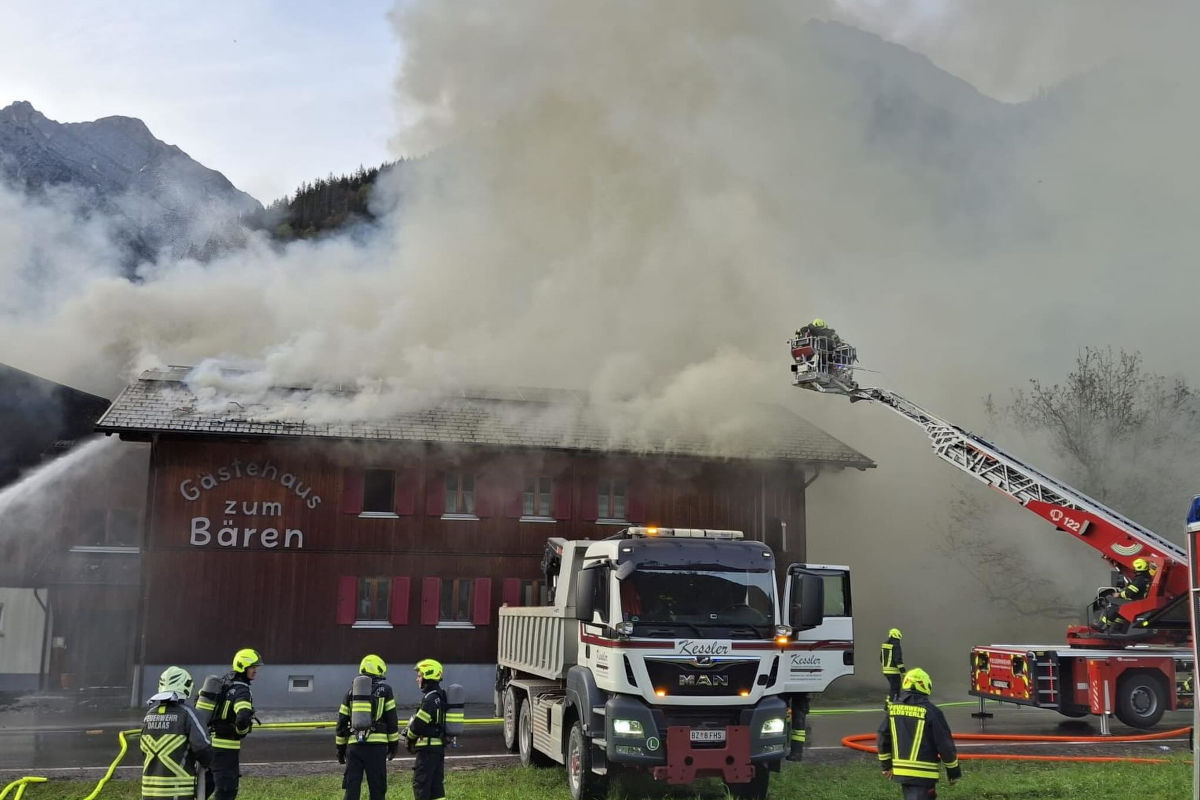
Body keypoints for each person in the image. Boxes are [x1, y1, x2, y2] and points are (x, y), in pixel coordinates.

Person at [877, 668, 961, 799]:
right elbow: (945, 745)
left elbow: (883, 735)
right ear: (926, 686)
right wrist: (953, 772)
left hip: (902, 772)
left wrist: (886, 765)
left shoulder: (893, 709)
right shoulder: (932, 712)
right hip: (924, 774)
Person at [198, 647, 262, 800]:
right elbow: (242, 718)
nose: (255, 670)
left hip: (210, 745)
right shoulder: (242, 690)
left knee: (205, 787)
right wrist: (242, 731)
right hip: (226, 749)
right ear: (243, 667)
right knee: (227, 791)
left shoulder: (226, 684)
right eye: (253, 667)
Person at [140, 666, 212, 800]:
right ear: (185, 686)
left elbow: (143, 750)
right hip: (178, 792)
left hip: (149, 792)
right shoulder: (188, 714)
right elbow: (203, 747)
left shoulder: (149, 715)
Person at [336, 654, 401, 800]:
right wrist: (393, 746)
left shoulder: (351, 691)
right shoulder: (386, 690)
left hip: (354, 748)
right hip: (377, 748)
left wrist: (340, 750)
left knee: (352, 790)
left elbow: (341, 724)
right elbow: (392, 721)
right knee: (377, 790)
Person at [405, 659, 448, 800]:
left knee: (421, 785)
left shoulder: (430, 699)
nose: (417, 679)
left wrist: (409, 739)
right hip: (437, 749)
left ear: (428, 675)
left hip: (427, 750)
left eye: (419, 675)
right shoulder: (440, 696)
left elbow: (418, 725)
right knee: (436, 789)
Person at [1099, 558, 1155, 631]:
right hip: (1140, 601)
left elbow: (1129, 593)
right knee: (1120, 607)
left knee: (1114, 606)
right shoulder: (1147, 577)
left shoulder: (1139, 579)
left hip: (1134, 602)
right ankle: (1116, 627)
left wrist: (1118, 595)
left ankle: (1101, 626)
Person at [880, 628, 905, 701]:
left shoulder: (884, 645)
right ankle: (890, 704)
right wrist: (903, 672)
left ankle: (896, 700)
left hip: (886, 671)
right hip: (894, 672)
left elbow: (881, 658)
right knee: (895, 687)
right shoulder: (896, 645)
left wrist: (885, 667)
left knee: (894, 687)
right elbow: (898, 660)